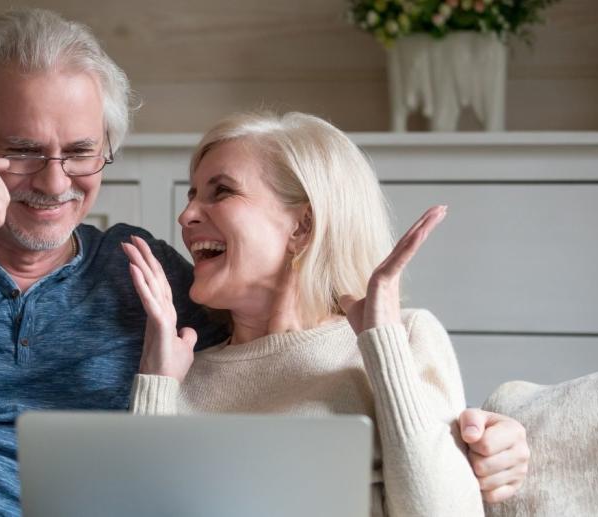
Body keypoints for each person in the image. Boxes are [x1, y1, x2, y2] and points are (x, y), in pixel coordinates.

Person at [0, 8, 527, 516]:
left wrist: (493, 439)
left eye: (80, 153)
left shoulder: (156, 284)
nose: (52, 182)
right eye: (21, 152)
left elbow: (284, 346)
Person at [124, 111, 521, 515]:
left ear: (302, 227)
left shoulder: (404, 337)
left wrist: (383, 346)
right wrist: (156, 384)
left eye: (220, 192)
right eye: (192, 195)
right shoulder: (181, 373)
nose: (186, 215)